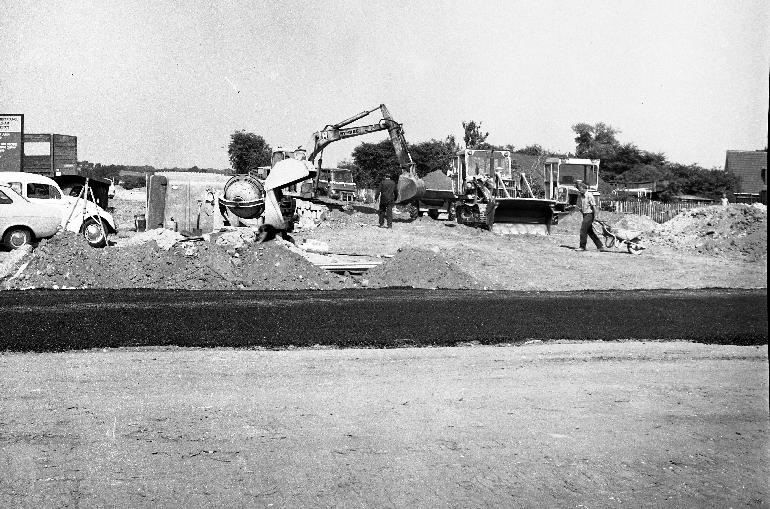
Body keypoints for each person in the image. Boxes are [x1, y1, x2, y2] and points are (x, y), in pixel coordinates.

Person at [576, 181, 604, 251]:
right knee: (589, 231)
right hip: (585, 215)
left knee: (583, 230)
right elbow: (582, 207)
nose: (579, 190)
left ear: (584, 188)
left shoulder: (589, 195)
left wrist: (595, 217)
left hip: (589, 215)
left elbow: (594, 207)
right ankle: (600, 246)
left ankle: (582, 247)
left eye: (580, 188)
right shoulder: (582, 196)